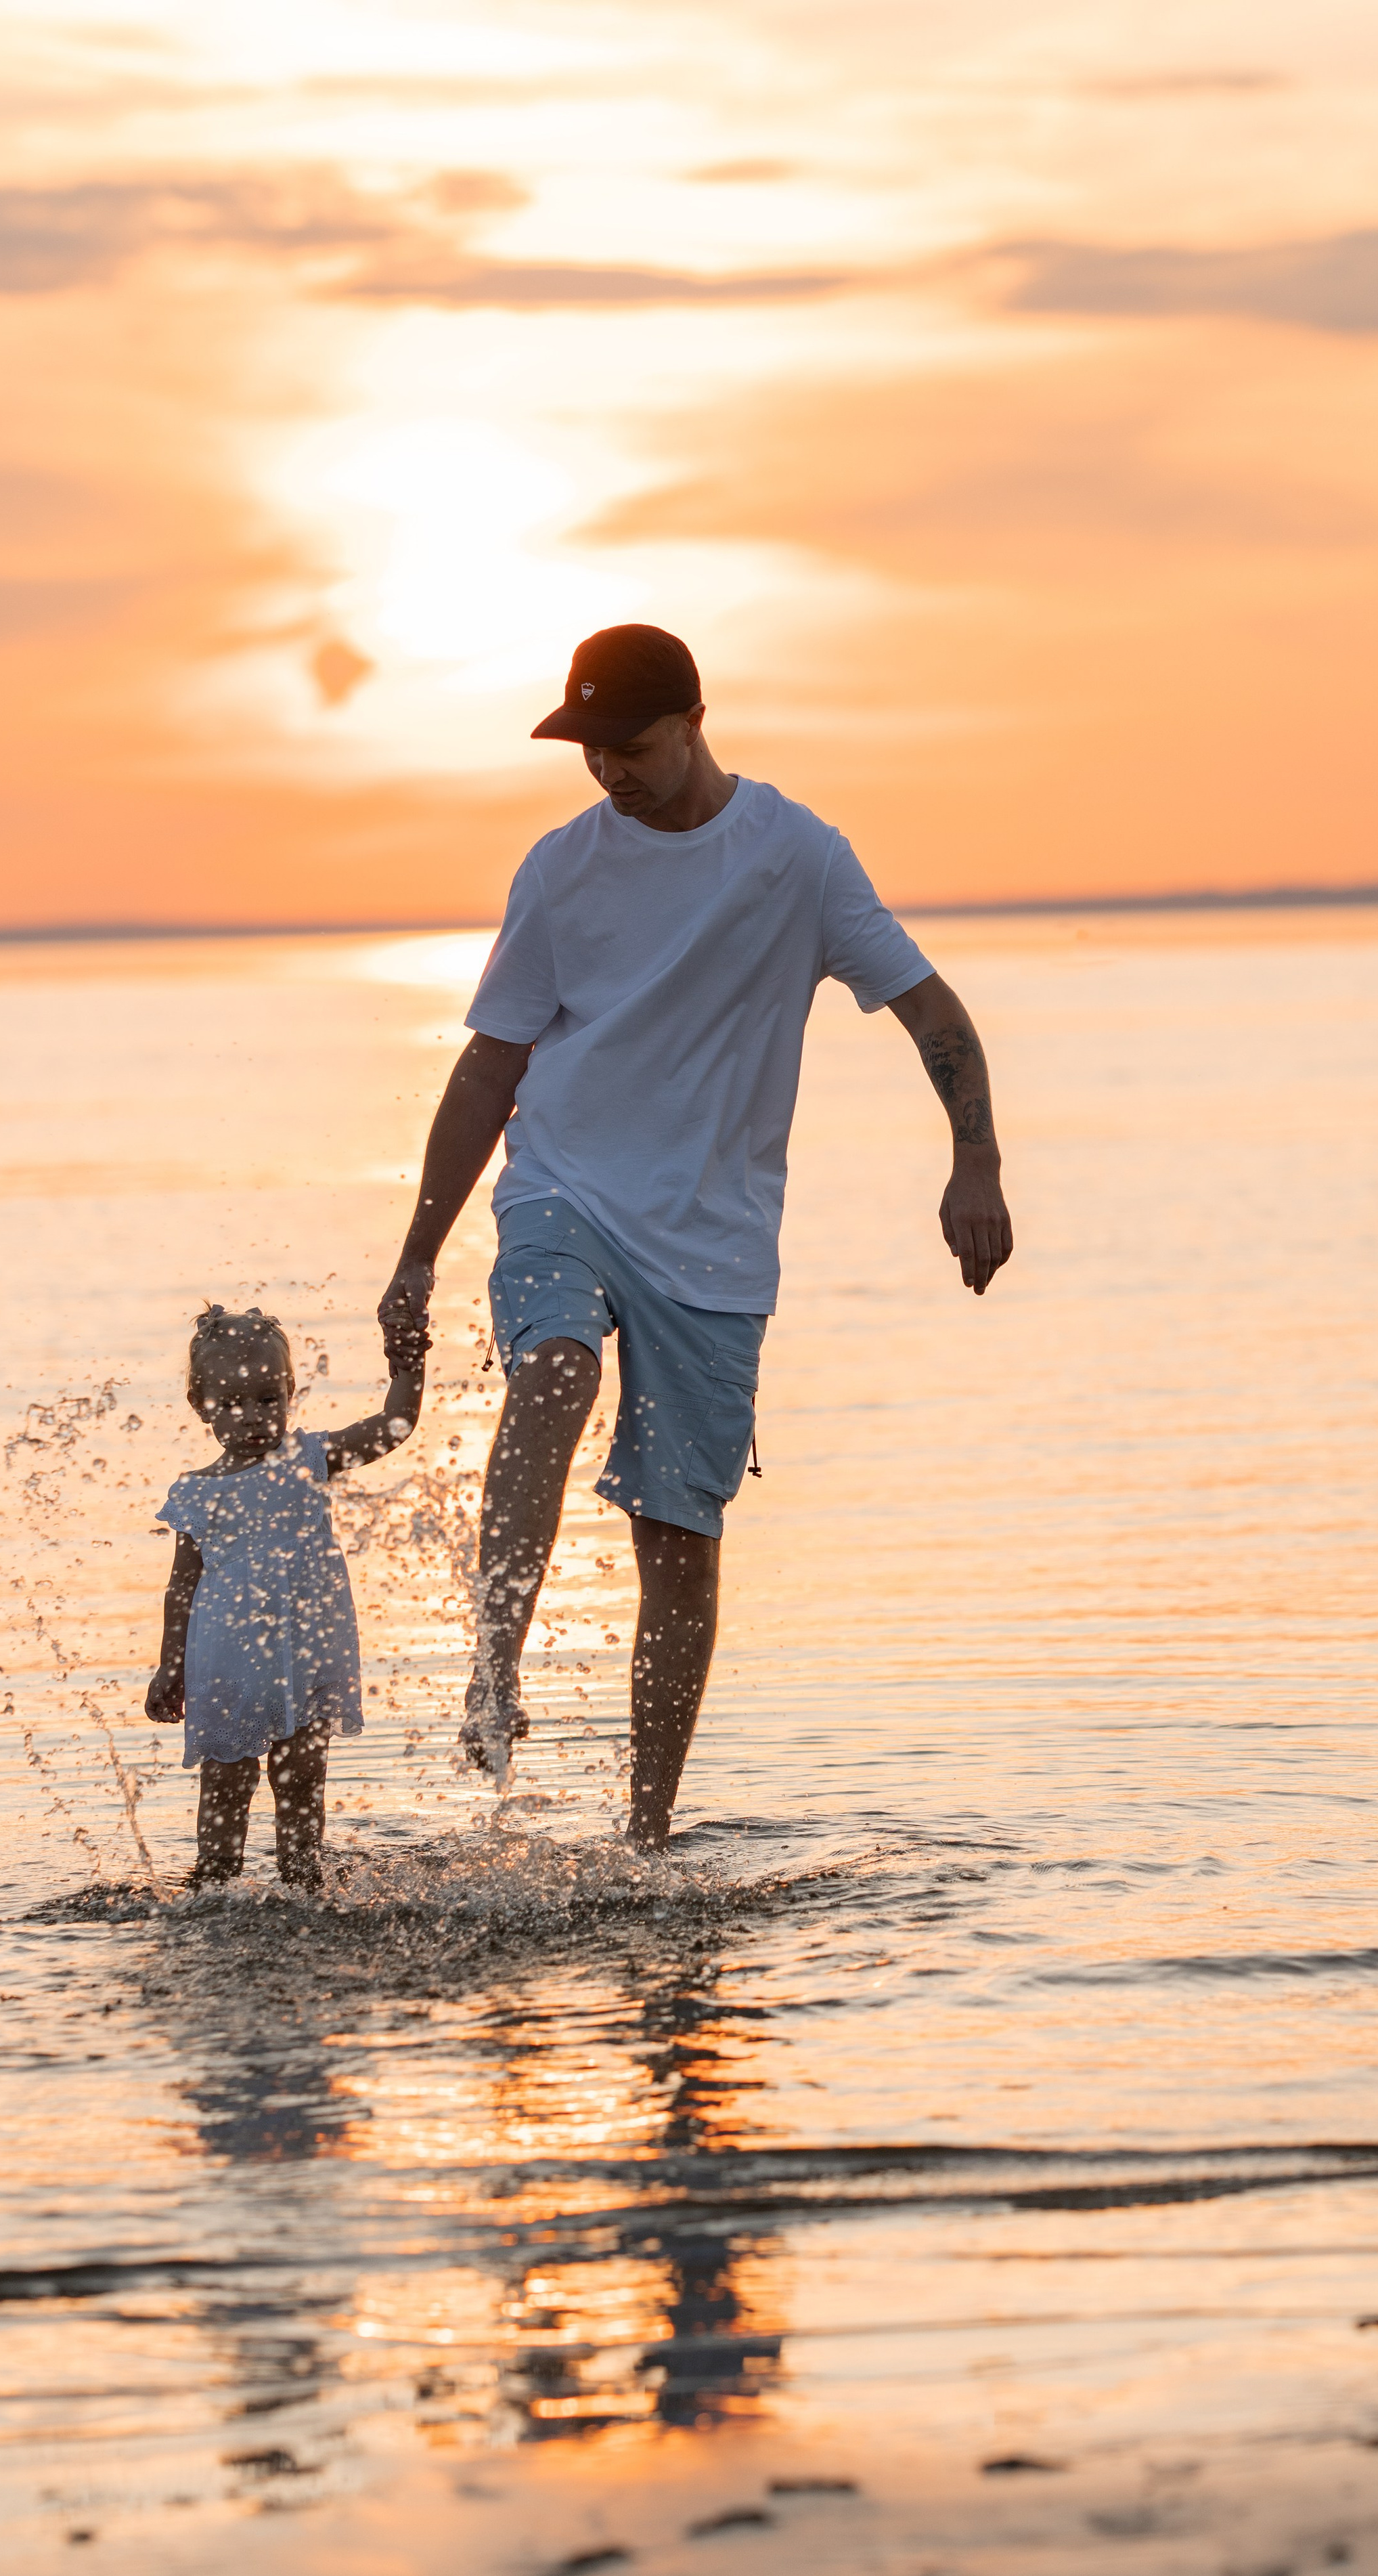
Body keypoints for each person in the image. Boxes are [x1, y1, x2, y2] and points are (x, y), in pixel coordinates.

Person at [378, 623, 1012, 1850]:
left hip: (713, 1241)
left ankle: (648, 1836)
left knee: (679, 1537)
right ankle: (495, 1660)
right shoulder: (561, 869)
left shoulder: (798, 857)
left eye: (632, 745)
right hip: (564, 1183)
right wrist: (416, 1252)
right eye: (590, 749)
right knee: (553, 1370)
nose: (610, 770)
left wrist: (973, 1158)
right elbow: (493, 1060)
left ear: (694, 722)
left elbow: (931, 1007)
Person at [145, 1303, 426, 1890]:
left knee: (300, 1778)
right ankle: (215, 1883)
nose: (253, 1417)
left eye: (269, 1399)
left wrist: (408, 1365)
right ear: (201, 1405)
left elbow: (394, 1426)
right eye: (234, 1403)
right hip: (226, 1665)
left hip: (307, 1653)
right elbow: (181, 1589)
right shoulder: (195, 1493)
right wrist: (170, 1669)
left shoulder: (307, 1458)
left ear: (291, 1391)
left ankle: (304, 1883)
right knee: (226, 1783)